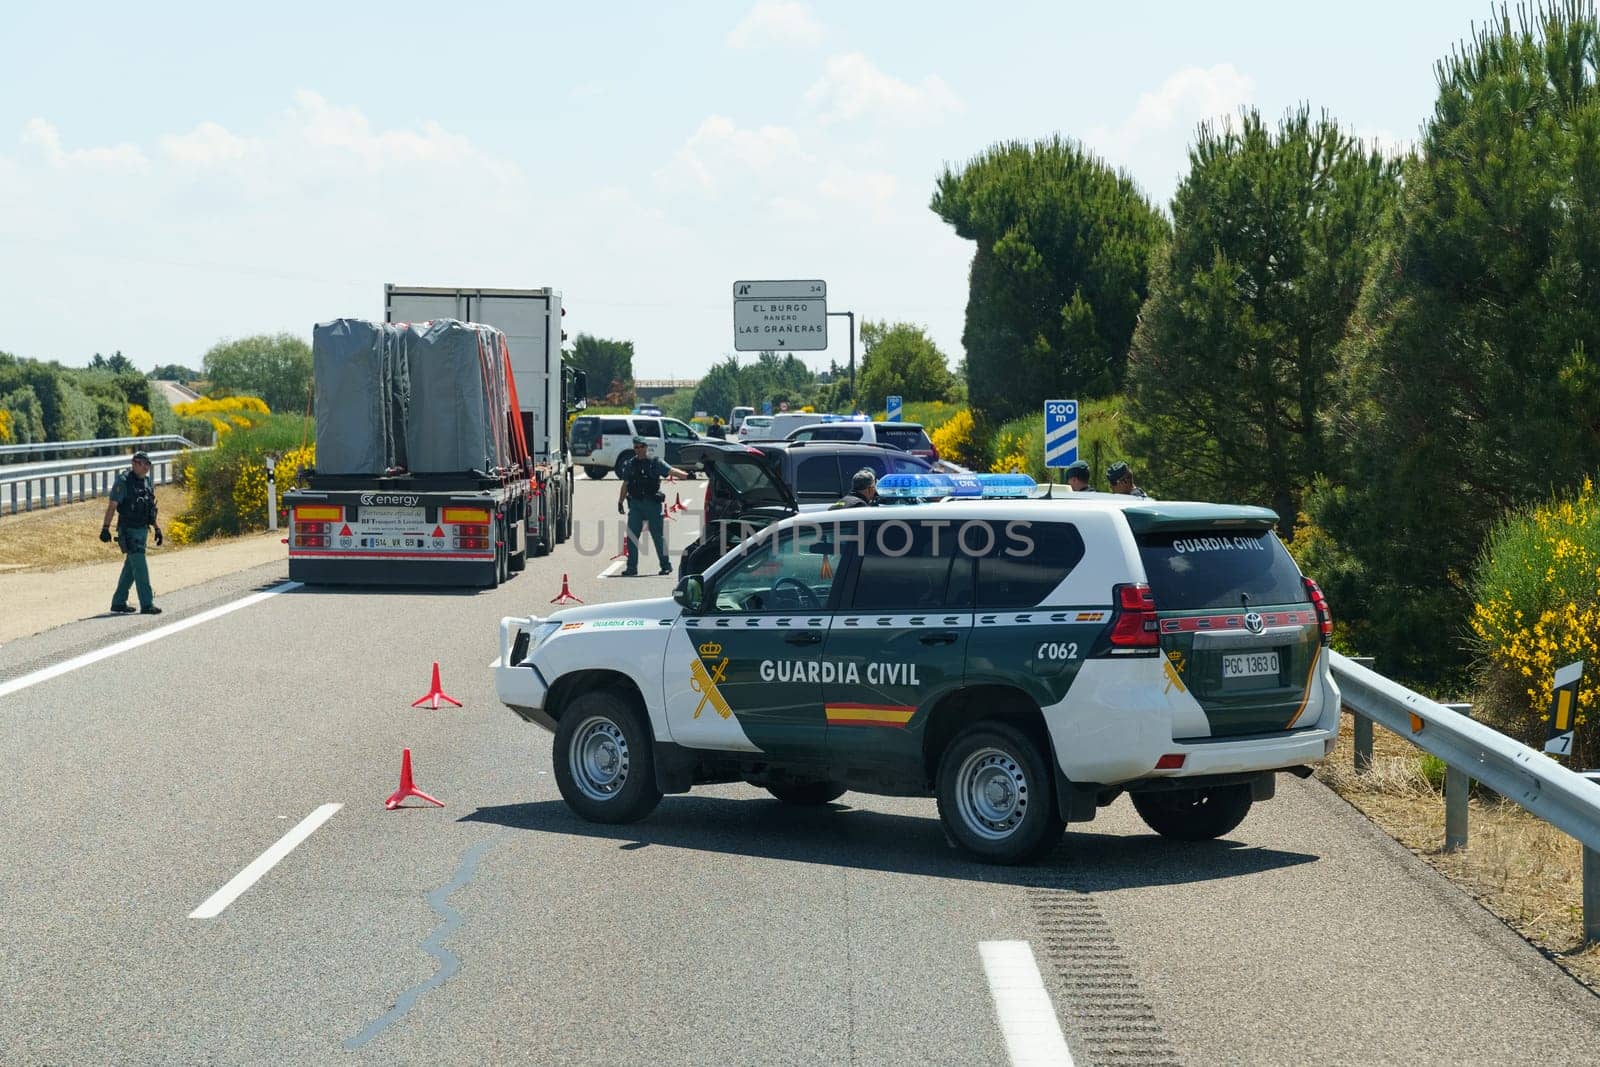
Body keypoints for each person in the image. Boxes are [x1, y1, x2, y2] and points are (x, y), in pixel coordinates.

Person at [99, 450, 163, 615]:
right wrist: (105, 528)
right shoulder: (123, 482)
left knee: (131, 567)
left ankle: (119, 602)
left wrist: (157, 527)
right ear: (134, 463)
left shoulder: (147, 482)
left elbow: (150, 508)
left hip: (142, 529)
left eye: (148, 464)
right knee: (140, 565)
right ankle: (147, 603)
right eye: (142, 463)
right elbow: (113, 505)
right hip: (128, 530)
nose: (146, 467)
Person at [617, 437, 690, 575]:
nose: (638, 450)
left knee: (657, 536)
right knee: (632, 536)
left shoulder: (655, 463)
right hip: (636, 505)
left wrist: (686, 475)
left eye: (641, 446)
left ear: (646, 447)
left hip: (652, 505)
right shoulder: (630, 464)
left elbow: (671, 471)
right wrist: (620, 501)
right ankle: (631, 568)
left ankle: (665, 565)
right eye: (636, 447)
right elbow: (625, 484)